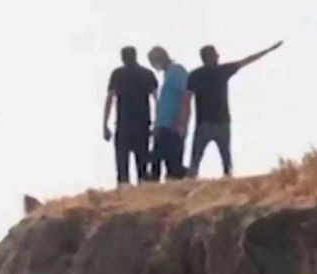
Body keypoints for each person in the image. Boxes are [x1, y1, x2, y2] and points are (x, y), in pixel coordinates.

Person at [182, 41, 283, 178]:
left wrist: (183, 123)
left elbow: (186, 101)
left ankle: (192, 181)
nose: (218, 56)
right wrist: (269, 50)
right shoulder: (222, 71)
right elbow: (246, 60)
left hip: (204, 123)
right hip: (221, 121)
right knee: (226, 161)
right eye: (216, 54)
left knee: (196, 161)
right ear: (212, 56)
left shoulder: (194, 75)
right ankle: (226, 178)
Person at [102, 46, 158, 185]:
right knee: (142, 167)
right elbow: (157, 99)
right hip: (142, 125)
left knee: (122, 169)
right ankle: (142, 192)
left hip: (124, 125)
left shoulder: (117, 74)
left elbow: (110, 99)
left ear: (122, 58)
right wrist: (157, 123)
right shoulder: (147, 74)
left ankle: (124, 192)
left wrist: (105, 125)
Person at [147, 46, 189, 181]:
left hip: (172, 125)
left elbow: (185, 96)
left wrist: (182, 122)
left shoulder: (177, 71)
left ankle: (188, 176)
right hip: (162, 125)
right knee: (156, 161)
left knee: (172, 165)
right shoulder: (167, 74)